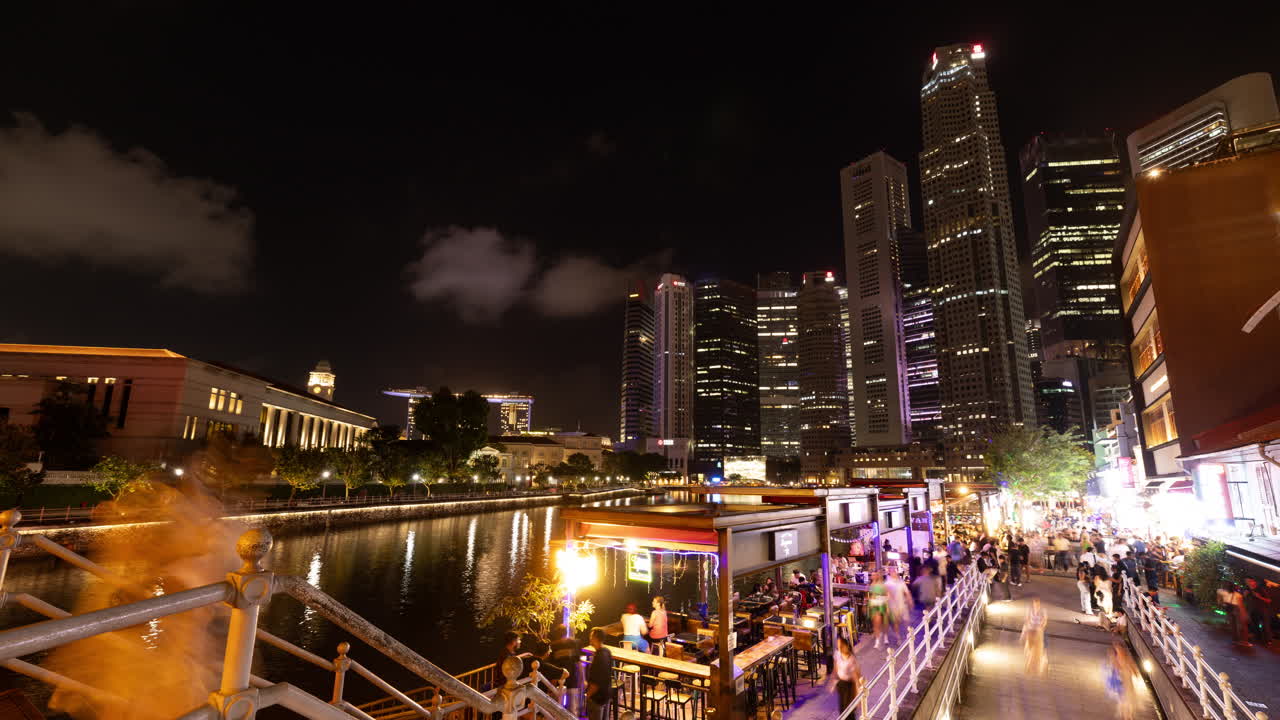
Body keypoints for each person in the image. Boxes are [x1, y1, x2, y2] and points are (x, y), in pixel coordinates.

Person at [828, 634, 864, 715]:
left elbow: (856, 678)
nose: (840, 647)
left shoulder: (852, 660)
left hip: (849, 686)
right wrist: (832, 682)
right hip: (841, 685)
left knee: (849, 710)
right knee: (842, 709)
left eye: (841, 645)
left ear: (846, 646)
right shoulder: (837, 654)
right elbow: (835, 668)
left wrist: (858, 695)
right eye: (838, 645)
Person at [549, 625, 582, 716]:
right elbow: (578, 663)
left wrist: (552, 682)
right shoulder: (572, 643)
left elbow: (552, 666)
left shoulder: (553, 646)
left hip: (559, 680)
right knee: (572, 710)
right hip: (572, 679)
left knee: (556, 709)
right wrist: (582, 679)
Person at [1104, 640, 1141, 720]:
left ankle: (1128, 716)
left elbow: (1134, 670)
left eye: (1120, 649)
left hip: (1128, 685)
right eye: (1118, 650)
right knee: (1124, 702)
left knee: (1129, 702)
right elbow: (1113, 669)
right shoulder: (1116, 660)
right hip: (1122, 685)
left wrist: (1134, 672)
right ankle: (1127, 716)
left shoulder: (1127, 659)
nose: (1120, 651)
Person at [584, 628, 612, 720]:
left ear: (596, 638)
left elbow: (596, 682)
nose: (589, 638)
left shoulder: (600, 657)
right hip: (606, 694)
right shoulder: (607, 652)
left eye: (591, 636)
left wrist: (588, 695)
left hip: (597, 697)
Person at [1021, 596, 1048, 675]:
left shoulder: (1043, 611)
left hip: (1039, 631)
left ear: (1039, 604)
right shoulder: (1030, 610)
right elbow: (1027, 619)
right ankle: (1029, 666)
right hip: (1031, 630)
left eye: (1037, 605)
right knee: (1029, 649)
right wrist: (1027, 628)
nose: (1036, 606)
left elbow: (1045, 621)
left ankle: (1043, 665)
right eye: (1035, 604)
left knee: (1042, 649)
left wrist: (1041, 628)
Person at [1244, 577, 1274, 646]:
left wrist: (1259, 597)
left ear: (1253, 582)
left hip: (1263, 611)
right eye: (1246, 581)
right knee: (1255, 626)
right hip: (1253, 611)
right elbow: (1246, 599)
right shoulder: (1247, 589)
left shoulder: (1260, 589)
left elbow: (1269, 600)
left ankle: (1268, 641)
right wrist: (1245, 595)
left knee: (1265, 626)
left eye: (1249, 581)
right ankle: (1259, 640)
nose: (1247, 582)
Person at [885, 570, 912, 643]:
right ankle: (898, 638)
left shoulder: (901, 583)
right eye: (892, 572)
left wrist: (910, 601)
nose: (894, 574)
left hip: (902, 605)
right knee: (896, 623)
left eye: (895, 572)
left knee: (906, 621)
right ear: (890, 574)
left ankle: (908, 635)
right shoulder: (888, 583)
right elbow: (887, 595)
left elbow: (906, 592)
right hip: (893, 606)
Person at [868, 572, 889, 649]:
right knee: (876, 623)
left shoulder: (884, 585)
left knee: (884, 623)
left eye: (874, 575)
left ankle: (885, 636)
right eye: (872, 575)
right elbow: (871, 595)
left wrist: (887, 606)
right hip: (874, 605)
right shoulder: (872, 585)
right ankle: (877, 640)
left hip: (882, 605)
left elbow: (887, 595)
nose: (872, 576)